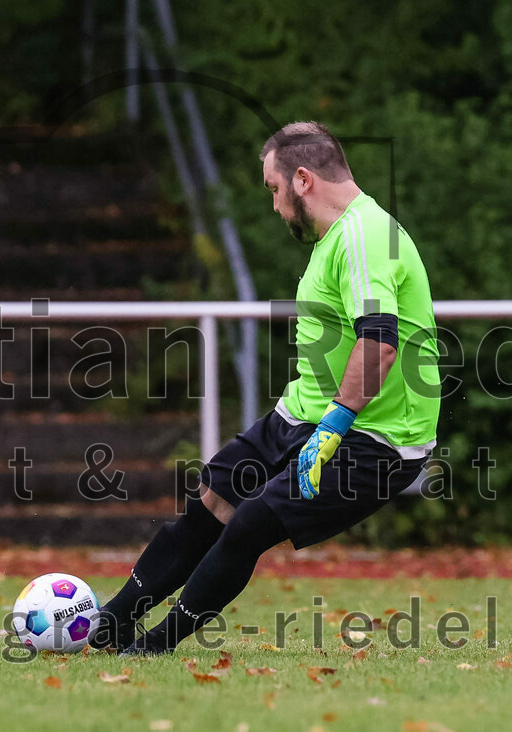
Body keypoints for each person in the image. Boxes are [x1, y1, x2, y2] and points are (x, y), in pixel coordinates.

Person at [89, 121, 441, 655]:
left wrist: (333, 427)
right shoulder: (336, 237)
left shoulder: (366, 236)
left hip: (378, 436)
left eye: (274, 190)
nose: (275, 207)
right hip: (303, 416)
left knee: (251, 524)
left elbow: (380, 343)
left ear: (303, 180)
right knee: (211, 503)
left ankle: (155, 645)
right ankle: (110, 624)